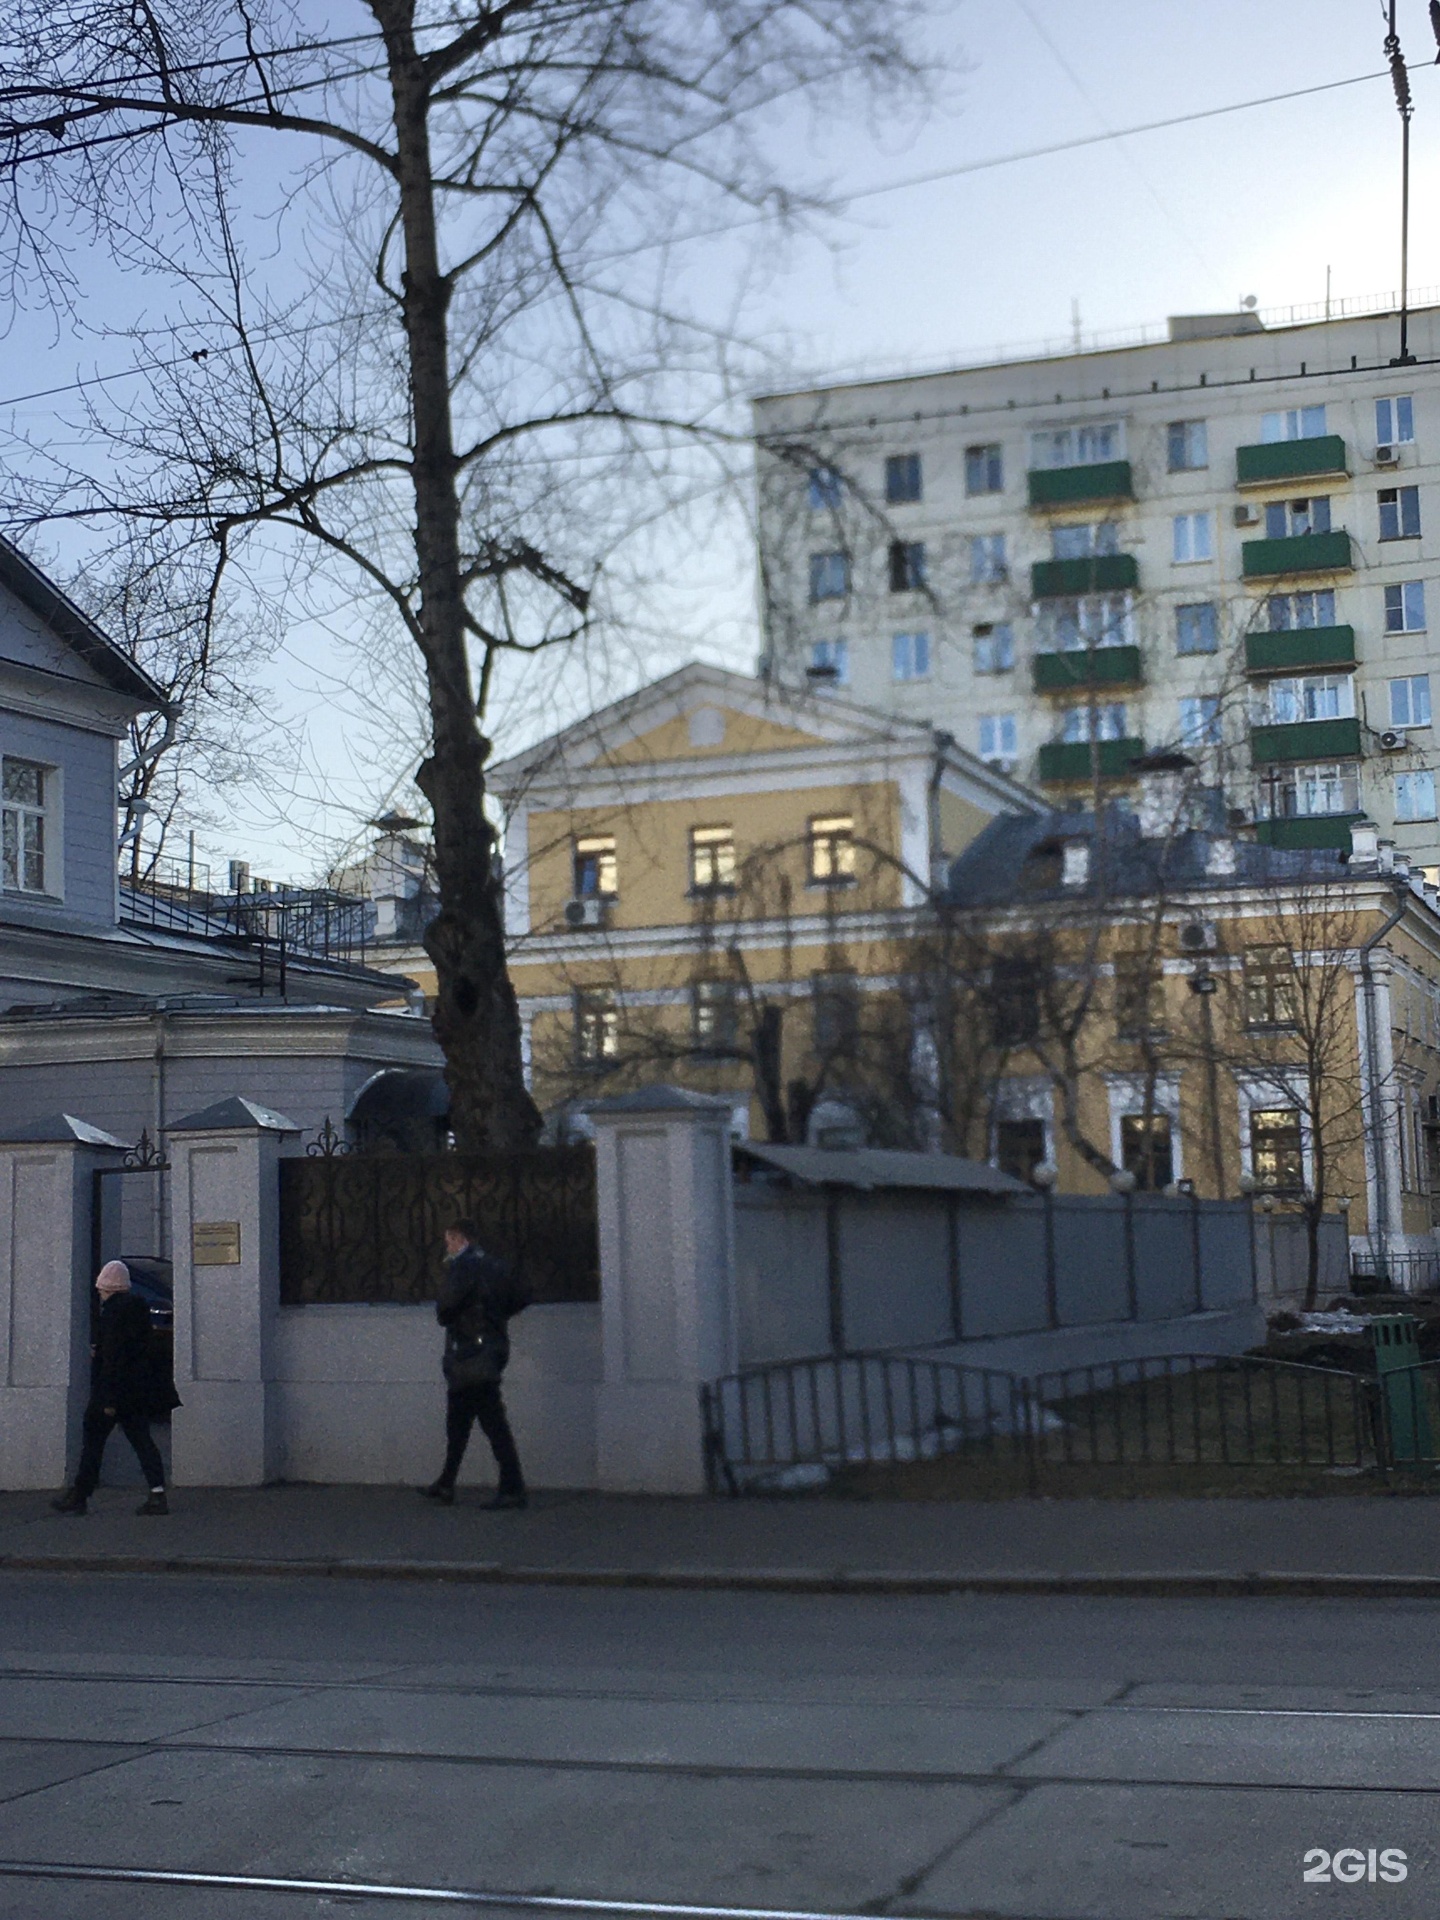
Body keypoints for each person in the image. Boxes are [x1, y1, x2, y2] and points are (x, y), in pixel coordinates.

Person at [420, 1218, 527, 1510]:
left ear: (460, 1239)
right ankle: (446, 1481)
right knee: (460, 1418)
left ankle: (512, 1487)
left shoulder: (463, 1267)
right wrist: (495, 1317)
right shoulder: (496, 1266)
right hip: (490, 1349)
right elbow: (521, 1296)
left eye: (450, 1240)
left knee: (490, 1421)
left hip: (469, 1353)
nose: (448, 1246)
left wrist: (461, 1314)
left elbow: (445, 1309)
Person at [52, 1261, 172, 1517]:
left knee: (93, 1442)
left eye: (101, 1289)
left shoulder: (112, 1315)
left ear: (107, 1288)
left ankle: (80, 1494)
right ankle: (157, 1492)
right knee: (142, 1441)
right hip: (135, 1392)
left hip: (111, 1391)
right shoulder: (139, 1311)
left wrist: (108, 1398)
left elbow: (114, 1359)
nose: (99, 1293)